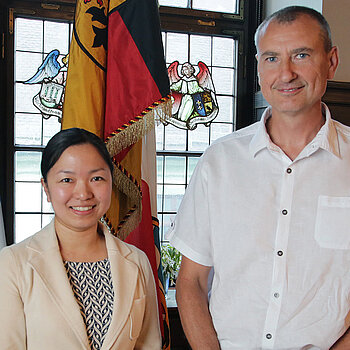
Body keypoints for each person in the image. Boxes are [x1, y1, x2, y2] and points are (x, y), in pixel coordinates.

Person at [167, 6, 350, 349]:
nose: (286, 73)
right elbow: (190, 281)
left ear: (332, 60)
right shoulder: (220, 161)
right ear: (258, 66)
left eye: (301, 54)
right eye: (271, 58)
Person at [0, 128, 161, 349]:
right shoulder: (12, 263)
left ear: (111, 182)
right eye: (67, 179)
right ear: (46, 188)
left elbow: (149, 345)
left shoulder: (137, 261)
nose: (83, 193)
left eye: (96, 178)